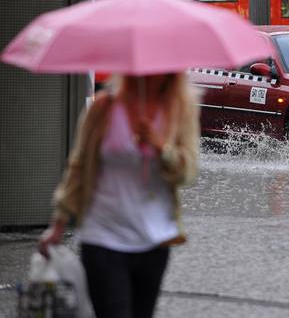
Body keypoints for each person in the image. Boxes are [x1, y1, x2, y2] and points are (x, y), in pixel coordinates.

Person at [39, 73, 200, 318]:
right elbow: (78, 168)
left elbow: (187, 173)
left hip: (154, 240)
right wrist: (58, 225)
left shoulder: (179, 112)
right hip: (103, 236)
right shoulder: (103, 109)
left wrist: (160, 147)